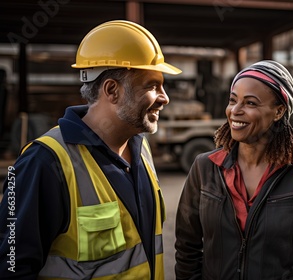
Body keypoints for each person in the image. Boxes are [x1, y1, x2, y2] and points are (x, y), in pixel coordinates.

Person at [0, 20, 181, 279]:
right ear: (111, 90)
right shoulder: (44, 162)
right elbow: (12, 268)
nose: (165, 97)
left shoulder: (141, 148)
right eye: (152, 86)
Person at [174, 60, 293, 279]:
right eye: (233, 101)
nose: (235, 111)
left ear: (279, 111)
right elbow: (187, 248)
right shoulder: (205, 168)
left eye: (250, 103)